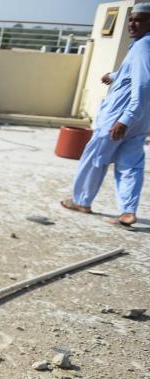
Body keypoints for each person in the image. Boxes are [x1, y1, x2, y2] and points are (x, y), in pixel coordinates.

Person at [61, 3, 150, 227]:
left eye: (138, 19)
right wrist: (115, 75)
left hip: (119, 118)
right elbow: (135, 73)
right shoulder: (142, 45)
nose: (131, 23)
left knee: (95, 159)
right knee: (131, 164)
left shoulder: (142, 47)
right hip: (141, 119)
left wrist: (125, 119)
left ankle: (82, 201)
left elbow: (144, 84)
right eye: (130, 19)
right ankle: (127, 211)